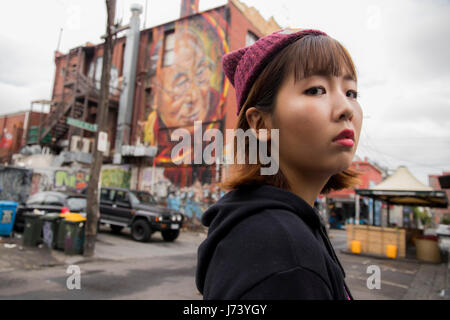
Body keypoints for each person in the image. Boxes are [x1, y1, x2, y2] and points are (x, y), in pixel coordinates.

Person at [196, 28, 363, 300]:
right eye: (316, 90)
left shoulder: (284, 227)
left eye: (352, 92)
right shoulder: (283, 253)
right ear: (260, 123)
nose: (346, 108)